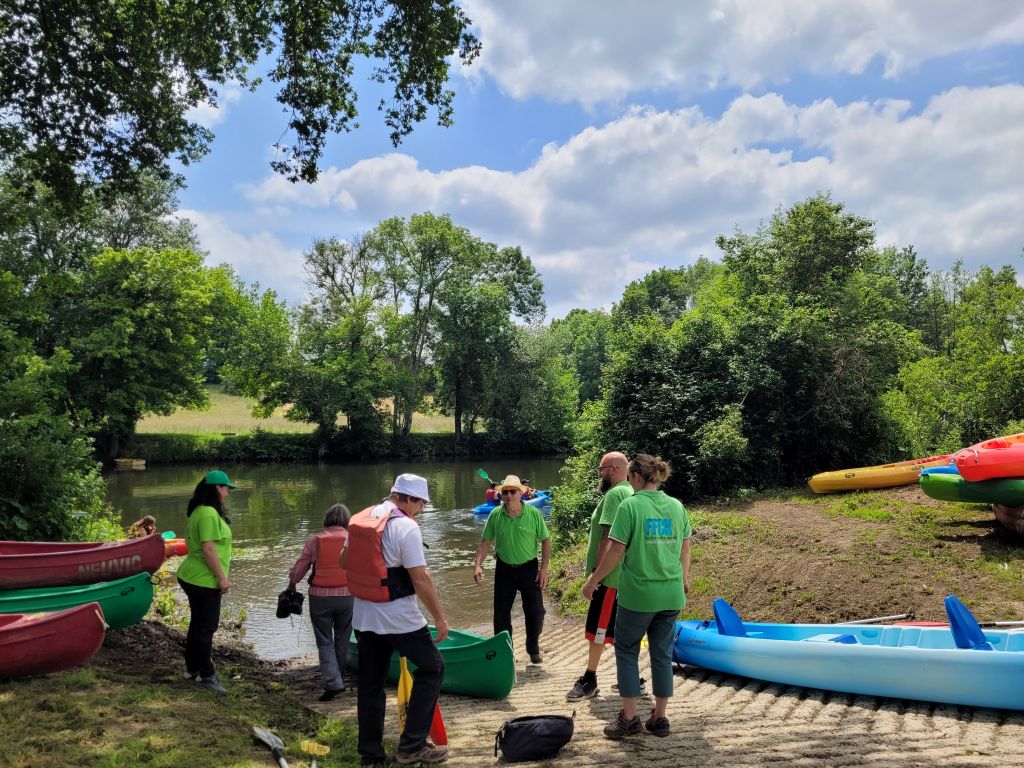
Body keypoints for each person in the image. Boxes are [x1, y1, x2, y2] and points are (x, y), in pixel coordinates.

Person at [582, 454, 691, 740]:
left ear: (636, 477)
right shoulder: (676, 506)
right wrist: (684, 579)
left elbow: (615, 552)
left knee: (627, 650)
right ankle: (660, 718)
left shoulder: (630, 506)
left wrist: (594, 580)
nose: (629, 481)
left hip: (639, 595)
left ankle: (629, 718)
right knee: (662, 654)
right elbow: (685, 547)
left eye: (630, 476)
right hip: (671, 594)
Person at [346, 473, 449, 766]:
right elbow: (421, 578)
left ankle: (370, 756)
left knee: (371, 685)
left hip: (364, 616)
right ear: (410, 499)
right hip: (399, 617)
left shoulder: (362, 518)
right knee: (432, 668)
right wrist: (440, 619)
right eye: (421, 504)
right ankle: (412, 746)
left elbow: (343, 562)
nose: (421, 510)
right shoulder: (405, 527)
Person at [566, 451, 633, 702]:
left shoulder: (616, 494)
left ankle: (590, 679)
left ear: (614, 469)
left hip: (610, 578)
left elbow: (608, 538)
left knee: (599, 631)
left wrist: (595, 576)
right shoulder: (632, 492)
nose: (599, 474)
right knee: (621, 630)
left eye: (601, 469)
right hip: (625, 577)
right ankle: (630, 677)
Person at [473, 474, 551, 664]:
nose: (508, 495)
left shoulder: (533, 514)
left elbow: (546, 540)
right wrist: (477, 565)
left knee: (536, 612)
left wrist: (543, 570)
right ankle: (506, 652)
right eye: (505, 492)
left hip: (529, 569)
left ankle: (533, 648)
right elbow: (485, 542)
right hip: (504, 569)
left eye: (512, 491)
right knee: (501, 614)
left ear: (520, 493)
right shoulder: (495, 515)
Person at [176, 469, 238, 694]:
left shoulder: (199, 511)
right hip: (203, 580)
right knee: (206, 628)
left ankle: (192, 669)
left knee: (198, 625)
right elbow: (209, 548)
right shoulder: (209, 514)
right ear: (215, 489)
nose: (227, 493)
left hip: (192, 576)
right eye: (225, 488)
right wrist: (222, 578)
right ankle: (207, 675)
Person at [287, 503, 354, 702]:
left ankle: (333, 683)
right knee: (343, 639)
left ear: (327, 520)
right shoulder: (353, 540)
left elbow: (301, 567)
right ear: (347, 520)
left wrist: (292, 585)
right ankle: (338, 678)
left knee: (325, 640)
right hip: (348, 596)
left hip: (320, 597)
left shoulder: (315, 541)